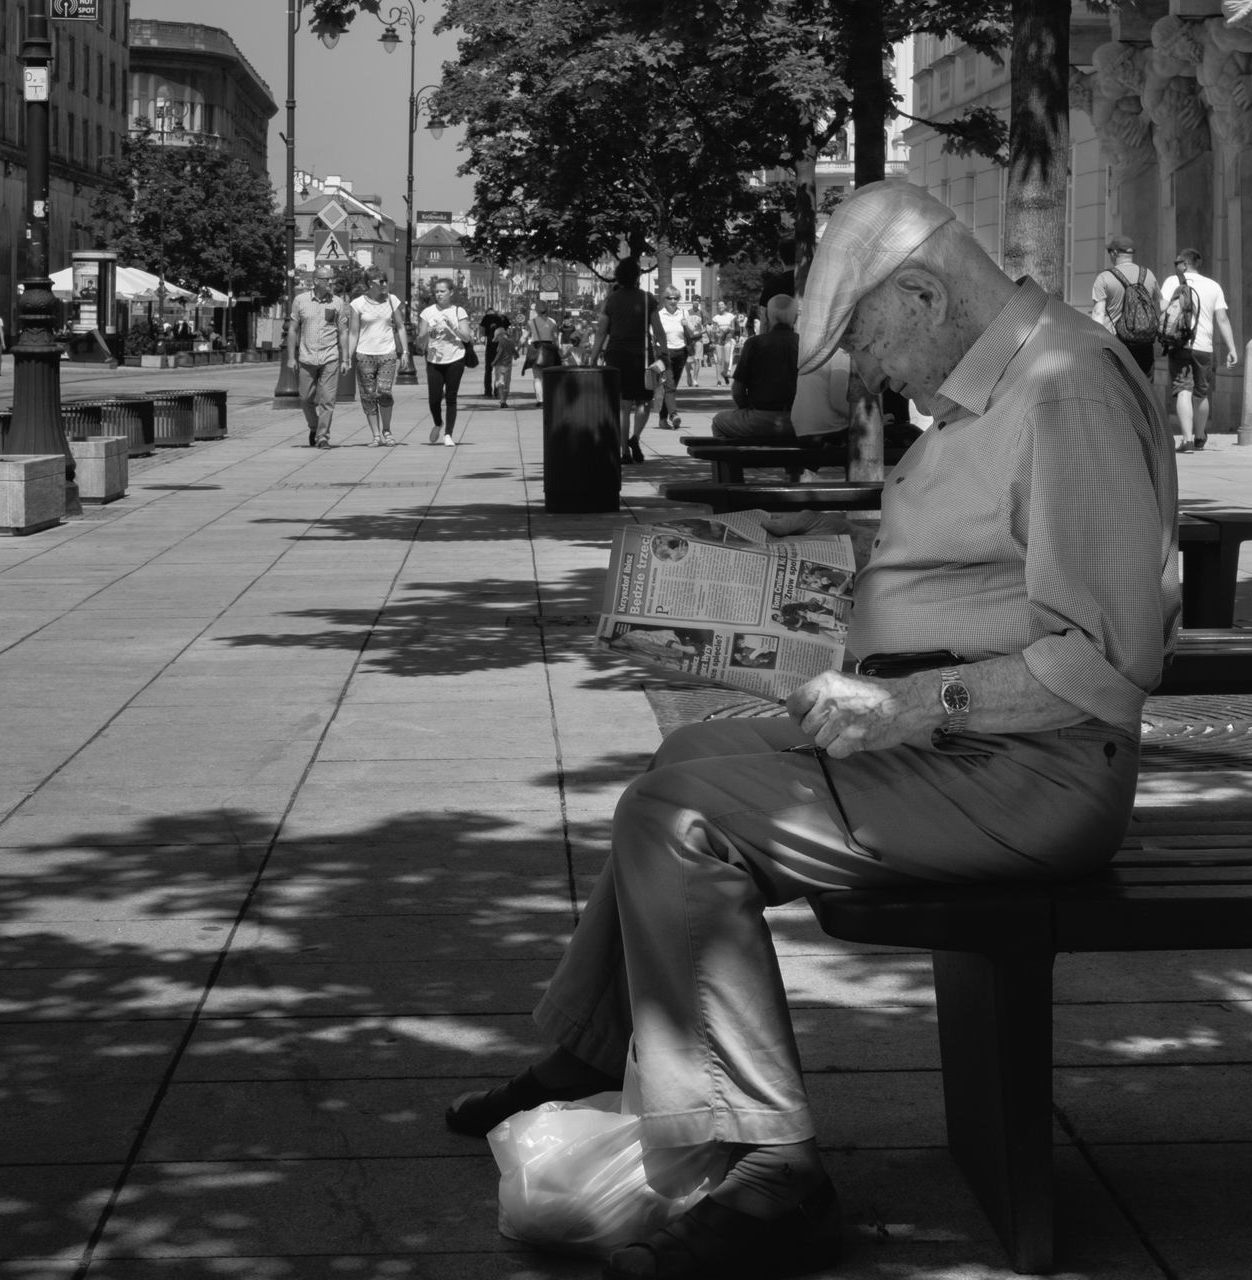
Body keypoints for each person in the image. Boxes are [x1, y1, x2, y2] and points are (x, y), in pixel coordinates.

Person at [444, 181, 1180, 1280]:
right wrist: (817, 551)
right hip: (970, 748)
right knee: (685, 758)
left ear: (925, 292)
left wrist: (904, 703)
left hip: (1029, 772)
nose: (865, 373)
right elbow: (978, 568)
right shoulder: (1007, 387)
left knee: (680, 811)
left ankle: (765, 1166)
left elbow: (1104, 665)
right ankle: (595, 1047)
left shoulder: (1062, 387)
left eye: (865, 341)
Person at [588, 256, 670, 465]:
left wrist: (593, 358)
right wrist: (664, 354)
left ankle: (624, 451)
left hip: (616, 356)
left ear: (618, 277)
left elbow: (600, 333)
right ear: (637, 277)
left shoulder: (611, 301)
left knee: (622, 404)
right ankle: (635, 438)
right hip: (642, 357)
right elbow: (659, 331)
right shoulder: (647, 299)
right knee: (643, 401)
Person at [1159, 247, 1240, 452]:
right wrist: (1232, 348)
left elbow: (1163, 309)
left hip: (1179, 344)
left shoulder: (1172, 281)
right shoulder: (1213, 286)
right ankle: (1200, 436)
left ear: (1185, 264)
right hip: (1204, 347)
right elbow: (1222, 319)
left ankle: (1186, 439)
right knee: (1201, 393)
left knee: (1183, 390)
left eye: (1178, 262)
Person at [711, 294, 799, 439]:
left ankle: (736, 461)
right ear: (795, 318)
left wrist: (746, 408)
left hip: (760, 417)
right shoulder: (804, 344)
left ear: (768, 317)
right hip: (797, 420)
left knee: (719, 422)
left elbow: (738, 390)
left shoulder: (755, 344)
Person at [347, 267, 411, 447]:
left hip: (387, 354)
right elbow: (353, 333)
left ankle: (387, 430)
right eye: (381, 281)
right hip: (364, 355)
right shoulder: (357, 304)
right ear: (370, 283)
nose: (385, 284)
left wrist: (405, 352)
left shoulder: (392, 300)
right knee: (368, 395)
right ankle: (375, 435)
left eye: (385, 280)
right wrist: (347, 358)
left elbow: (400, 326)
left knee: (384, 392)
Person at [286, 265, 347, 449]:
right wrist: (291, 357)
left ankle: (322, 437)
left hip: (330, 357)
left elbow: (343, 332)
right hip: (307, 357)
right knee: (305, 398)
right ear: (316, 281)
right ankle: (314, 426)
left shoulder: (337, 302)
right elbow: (293, 329)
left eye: (331, 278)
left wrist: (345, 359)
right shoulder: (301, 301)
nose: (330, 282)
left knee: (327, 400)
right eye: (326, 279)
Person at [1091, 235, 1160, 377]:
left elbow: (1098, 313)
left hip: (1115, 343)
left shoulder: (1104, 277)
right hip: (1144, 344)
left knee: (1119, 389)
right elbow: (1160, 305)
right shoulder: (1149, 275)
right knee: (1145, 388)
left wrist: (1095, 342)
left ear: (1115, 253)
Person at [417, 277, 472, 446]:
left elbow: (467, 337)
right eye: (437, 292)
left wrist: (453, 327)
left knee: (451, 397)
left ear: (451, 293)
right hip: (434, 360)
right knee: (434, 399)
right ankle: (438, 423)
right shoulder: (427, 312)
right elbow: (420, 341)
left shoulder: (459, 311)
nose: (439, 294)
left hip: (455, 358)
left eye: (443, 291)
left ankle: (448, 434)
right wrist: (428, 332)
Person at [655, 288, 689, 430]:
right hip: (664, 353)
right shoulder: (658, 315)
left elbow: (690, 333)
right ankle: (673, 415)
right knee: (669, 384)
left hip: (681, 351)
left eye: (676, 298)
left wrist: (687, 326)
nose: (673, 301)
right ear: (664, 299)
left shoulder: (683, 313)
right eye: (670, 298)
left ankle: (662, 420)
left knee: (671, 387)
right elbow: (654, 335)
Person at [526, 300, 562, 406]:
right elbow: (555, 339)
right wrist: (558, 350)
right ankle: (548, 398)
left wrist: (527, 347)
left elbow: (523, 338)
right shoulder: (552, 322)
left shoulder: (531, 322)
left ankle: (540, 400)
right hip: (549, 349)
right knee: (548, 376)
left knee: (537, 377)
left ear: (536, 310)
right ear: (546, 310)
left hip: (536, 348)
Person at [479, 302, 508, 398]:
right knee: (499, 369)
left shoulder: (486, 318)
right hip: (501, 346)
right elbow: (507, 331)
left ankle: (488, 392)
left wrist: (485, 336)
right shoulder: (503, 318)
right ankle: (497, 392)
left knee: (488, 370)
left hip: (490, 346)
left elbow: (482, 332)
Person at [491, 319, 519, 408]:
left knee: (499, 383)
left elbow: (499, 353)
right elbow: (516, 353)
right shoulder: (511, 342)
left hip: (499, 365)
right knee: (506, 384)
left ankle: (502, 400)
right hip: (508, 366)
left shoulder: (501, 342)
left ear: (499, 336)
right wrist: (515, 356)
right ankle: (504, 401)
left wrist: (494, 362)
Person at [711, 299, 737, 384]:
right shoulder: (715, 318)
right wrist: (717, 333)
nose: (720, 306)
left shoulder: (730, 316)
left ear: (725, 306)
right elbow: (714, 330)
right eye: (719, 305)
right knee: (719, 360)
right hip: (719, 341)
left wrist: (728, 329)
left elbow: (733, 329)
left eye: (722, 305)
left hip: (728, 340)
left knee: (727, 361)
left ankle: (725, 374)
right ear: (717, 307)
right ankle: (719, 380)